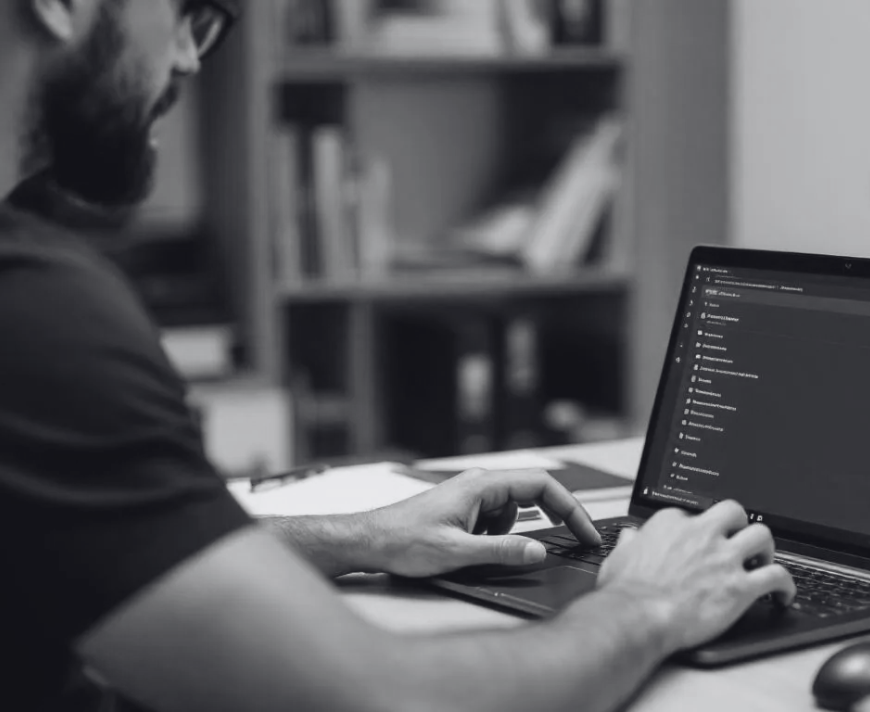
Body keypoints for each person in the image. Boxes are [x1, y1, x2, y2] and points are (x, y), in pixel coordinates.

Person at [0, 2, 796, 711]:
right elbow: (390, 699)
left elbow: (95, 550)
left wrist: (364, 535)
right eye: (188, 12)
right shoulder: (36, 313)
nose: (187, 57)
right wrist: (649, 605)